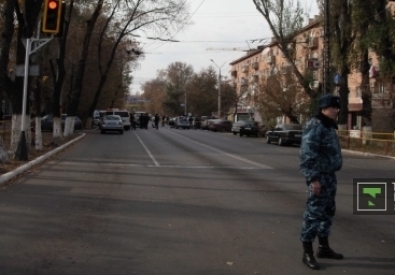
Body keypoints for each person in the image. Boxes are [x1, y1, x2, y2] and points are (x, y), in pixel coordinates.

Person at [299, 94, 343, 270]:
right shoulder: (316, 126)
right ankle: (307, 252)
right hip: (319, 176)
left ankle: (323, 247)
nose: (336, 110)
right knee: (313, 213)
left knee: (327, 212)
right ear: (324, 108)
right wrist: (313, 179)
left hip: (329, 175)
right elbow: (307, 154)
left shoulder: (328, 126)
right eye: (333, 107)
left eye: (337, 107)